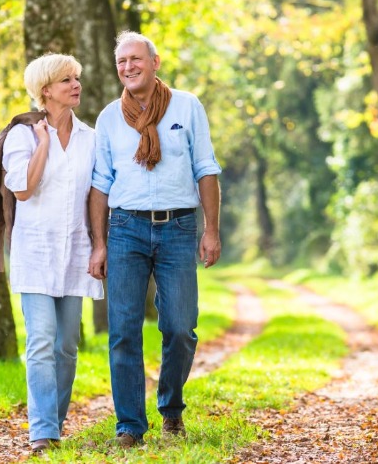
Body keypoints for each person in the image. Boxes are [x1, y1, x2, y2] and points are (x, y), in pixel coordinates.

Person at [87, 31, 222, 446]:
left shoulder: (187, 106)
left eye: (135, 59)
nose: (128, 67)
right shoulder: (109, 117)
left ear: (155, 61)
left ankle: (171, 407)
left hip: (179, 227)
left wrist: (211, 230)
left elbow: (206, 168)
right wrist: (99, 243)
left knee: (180, 327)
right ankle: (129, 424)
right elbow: (100, 185)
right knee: (124, 329)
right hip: (125, 228)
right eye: (121, 62)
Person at [0, 53, 104, 454]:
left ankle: (53, 422)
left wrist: (100, 244)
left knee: (67, 345)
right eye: (66, 80)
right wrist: (43, 144)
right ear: (45, 90)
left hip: (75, 251)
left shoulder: (90, 138)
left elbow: (97, 195)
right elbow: (23, 188)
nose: (76, 85)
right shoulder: (21, 135)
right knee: (41, 341)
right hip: (36, 251)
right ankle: (42, 432)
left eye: (76, 77)